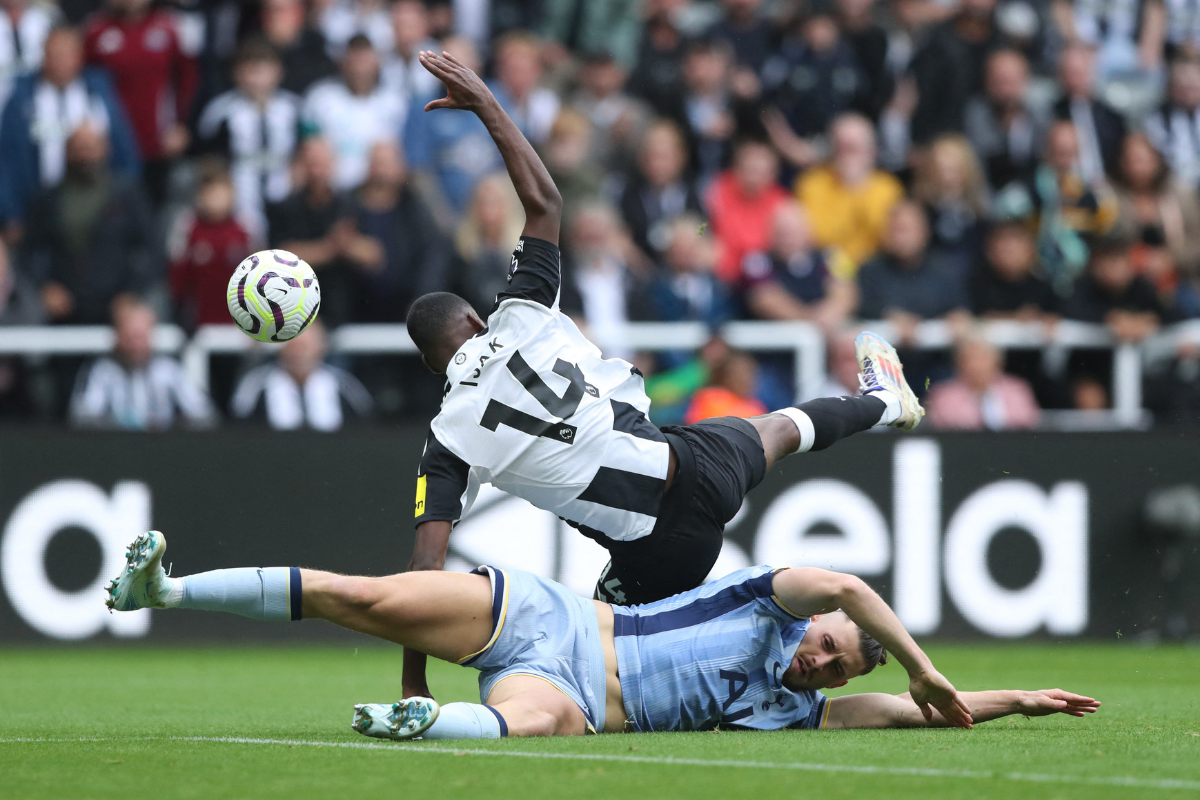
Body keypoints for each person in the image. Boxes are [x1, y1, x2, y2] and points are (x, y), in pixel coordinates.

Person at [402, 50, 925, 701]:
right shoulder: (521, 315)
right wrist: (487, 104)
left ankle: (746, 694)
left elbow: (423, 573)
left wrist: (414, 682)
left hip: (659, 549)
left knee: (606, 646)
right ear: (477, 322)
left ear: (432, 366)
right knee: (778, 429)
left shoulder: (447, 438)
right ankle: (881, 404)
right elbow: (545, 200)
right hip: (695, 462)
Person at [107, 529, 1100, 740]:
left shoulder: (791, 708)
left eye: (835, 661)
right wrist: (931, 664)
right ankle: (168, 585)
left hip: (581, 701)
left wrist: (1016, 697)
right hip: (560, 617)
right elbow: (849, 583)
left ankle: (410, 723)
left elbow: (912, 716)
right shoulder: (775, 595)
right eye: (831, 639)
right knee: (361, 596)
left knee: (525, 732)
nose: (824, 654)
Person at [0, 24, 138, 232]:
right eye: (54, 54)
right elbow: (6, 160)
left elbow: (124, 150)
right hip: (37, 209)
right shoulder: (22, 98)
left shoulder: (98, 92)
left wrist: (123, 206)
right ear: (43, 56)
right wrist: (11, 214)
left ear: (79, 57)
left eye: (66, 54)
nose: (60, 62)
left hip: (96, 210)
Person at [21, 123, 155, 325]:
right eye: (78, 147)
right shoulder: (48, 197)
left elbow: (150, 248)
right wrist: (45, 287)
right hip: (63, 308)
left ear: (106, 148)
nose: (85, 154)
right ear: (67, 152)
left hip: (116, 307)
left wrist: (132, 293)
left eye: (91, 146)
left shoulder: (127, 194)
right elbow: (30, 252)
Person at [84, 0, 197, 206]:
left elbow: (188, 79)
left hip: (158, 142)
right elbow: (85, 87)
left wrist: (182, 125)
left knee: (157, 212)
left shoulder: (169, 27)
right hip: (113, 145)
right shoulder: (96, 30)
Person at [195, 37, 301, 242]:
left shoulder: (295, 109)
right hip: (239, 195)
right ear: (236, 72)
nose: (255, 78)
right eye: (249, 69)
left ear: (279, 71)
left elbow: (307, 150)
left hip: (286, 193)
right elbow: (209, 158)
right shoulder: (220, 112)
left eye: (262, 69)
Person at [70, 298, 215, 429]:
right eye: (130, 337)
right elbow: (83, 418)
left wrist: (169, 426)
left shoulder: (169, 371)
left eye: (141, 336)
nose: (136, 345)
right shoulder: (101, 372)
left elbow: (204, 414)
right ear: (117, 336)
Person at [795, 113, 903, 271]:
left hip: (875, 270)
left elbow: (887, 239)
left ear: (871, 151)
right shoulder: (811, 183)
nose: (846, 157)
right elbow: (816, 236)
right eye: (841, 148)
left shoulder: (889, 187)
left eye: (853, 149)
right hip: (823, 269)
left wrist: (858, 188)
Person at [302, 34, 405, 192]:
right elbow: (307, 151)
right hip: (331, 193)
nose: (359, 69)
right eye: (355, 62)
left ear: (376, 63)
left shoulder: (395, 103)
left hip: (375, 194)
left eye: (365, 62)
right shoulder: (319, 99)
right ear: (343, 63)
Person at [230, 320, 372, 431]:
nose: (298, 354)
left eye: (305, 346)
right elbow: (240, 431)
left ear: (322, 346)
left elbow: (366, 428)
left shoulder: (344, 386)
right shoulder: (256, 386)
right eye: (293, 346)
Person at [168, 160, 252, 330]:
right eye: (211, 193)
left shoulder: (245, 229)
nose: (216, 199)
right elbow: (176, 279)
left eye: (221, 192)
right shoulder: (187, 228)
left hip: (239, 327)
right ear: (200, 195)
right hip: (197, 325)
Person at [706, 139, 790, 283]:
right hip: (723, 271)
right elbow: (705, 228)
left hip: (768, 273)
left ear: (773, 174)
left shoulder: (782, 202)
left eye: (761, 172)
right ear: (736, 169)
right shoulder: (718, 189)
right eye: (750, 170)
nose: (754, 179)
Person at [925, 334, 1040, 430]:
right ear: (958, 364)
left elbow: (1026, 423)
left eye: (982, 358)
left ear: (997, 361)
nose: (975, 365)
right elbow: (949, 427)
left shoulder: (1017, 390)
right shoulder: (944, 396)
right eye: (969, 359)